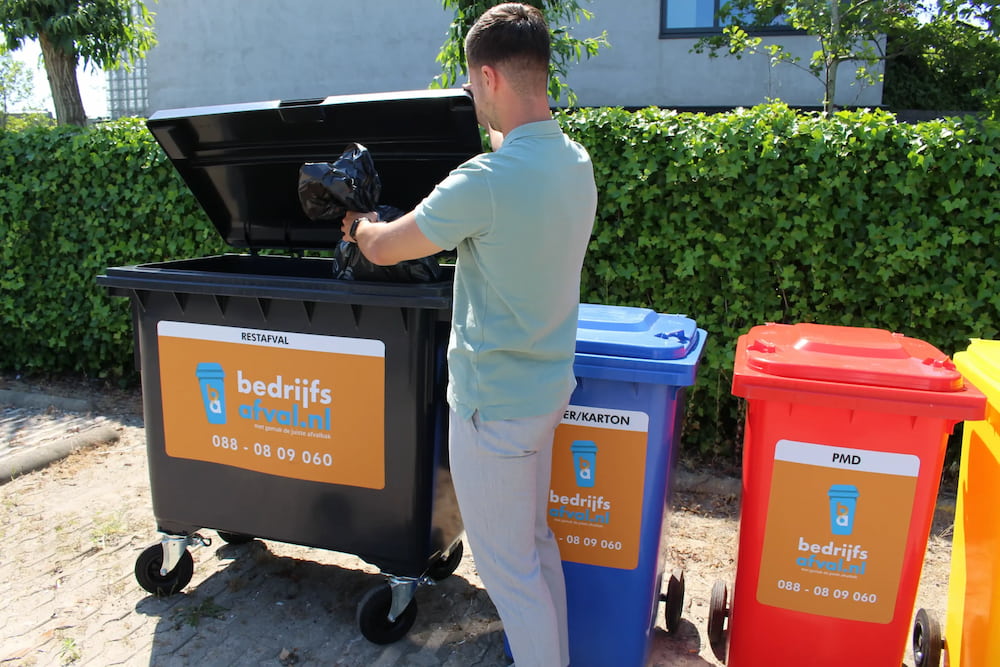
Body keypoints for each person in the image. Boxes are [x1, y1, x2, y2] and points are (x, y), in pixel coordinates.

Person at [341, 4, 597, 665]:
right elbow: (516, 181)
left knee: (510, 574)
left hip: (493, 408)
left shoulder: (485, 182)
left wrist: (359, 225)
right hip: (545, 392)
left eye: (470, 82)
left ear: (489, 77)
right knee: (535, 548)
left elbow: (387, 247)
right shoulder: (574, 162)